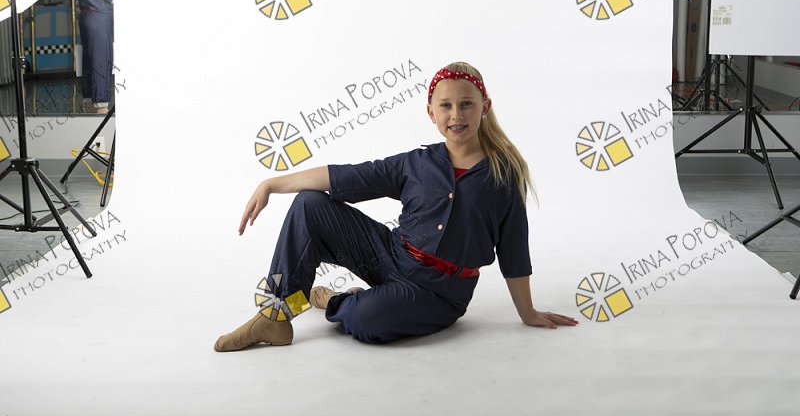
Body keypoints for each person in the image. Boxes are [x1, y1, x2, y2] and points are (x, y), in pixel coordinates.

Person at [214, 61, 578, 351]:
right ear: (431, 112)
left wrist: (527, 312)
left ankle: (336, 301)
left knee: (368, 321)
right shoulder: (415, 164)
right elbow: (349, 176)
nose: (456, 114)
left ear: (485, 106)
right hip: (389, 255)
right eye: (446, 105)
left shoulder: (503, 174)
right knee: (309, 204)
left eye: (467, 103)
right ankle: (277, 318)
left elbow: (514, 251)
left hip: (438, 293)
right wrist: (271, 184)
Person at [78, 0, 113, 114]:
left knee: (89, 61)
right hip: (99, 16)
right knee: (101, 61)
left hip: (87, 15)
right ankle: (101, 106)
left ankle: (90, 103)